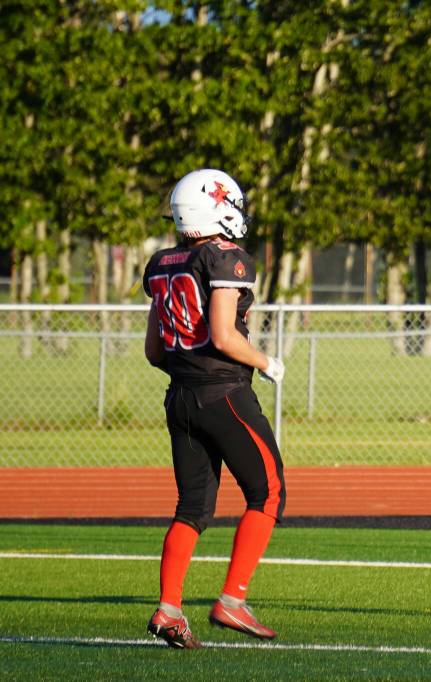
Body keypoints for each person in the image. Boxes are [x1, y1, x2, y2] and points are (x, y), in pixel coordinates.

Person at [143, 168, 286, 649]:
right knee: (267, 493)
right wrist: (266, 361)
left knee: (192, 507)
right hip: (223, 392)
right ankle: (232, 599)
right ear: (216, 206)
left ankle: (169, 609)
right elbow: (224, 336)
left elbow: (155, 352)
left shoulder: (163, 262)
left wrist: (190, 371)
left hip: (179, 397)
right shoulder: (225, 257)